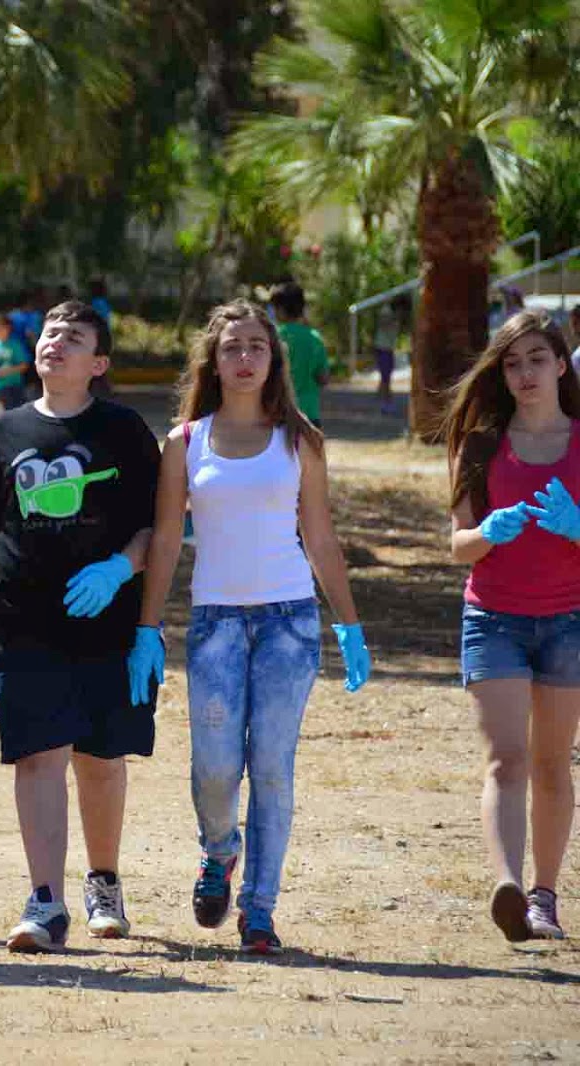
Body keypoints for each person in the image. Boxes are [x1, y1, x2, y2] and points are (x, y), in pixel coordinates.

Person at [130, 299, 372, 956]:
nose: (243, 358)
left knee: (270, 766)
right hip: (214, 625)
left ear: (274, 360)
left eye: (255, 347)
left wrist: (348, 625)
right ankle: (220, 851)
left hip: (290, 624)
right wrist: (146, 629)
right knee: (213, 766)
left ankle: (260, 910)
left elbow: (320, 539)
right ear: (215, 359)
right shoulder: (185, 442)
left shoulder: (302, 440)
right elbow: (167, 539)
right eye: (231, 347)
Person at [0, 300, 159, 952]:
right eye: (50, 334)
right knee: (38, 756)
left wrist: (120, 569)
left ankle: (104, 881)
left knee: (100, 759)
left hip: (103, 620)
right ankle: (45, 902)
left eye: (74, 337)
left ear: (99, 362)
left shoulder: (122, 430)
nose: (56, 343)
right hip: (19, 618)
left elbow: (156, 525)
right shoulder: (4, 431)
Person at [442, 308, 580, 943]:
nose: (525, 373)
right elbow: (458, 544)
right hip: (493, 617)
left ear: (560, 364)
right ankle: (509, 887)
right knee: (506, 758)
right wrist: (485, 535)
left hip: (569, 621)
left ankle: (545, 896)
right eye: (513, 362)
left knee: (553, 762)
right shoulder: (481, 444)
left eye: (536, 359)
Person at [269, 283, 329, 427]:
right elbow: (323, 378)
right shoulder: (315, 338)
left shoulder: (274, 337)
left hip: (280, 411)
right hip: (310, 413)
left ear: (281, 310)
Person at [373, 294, 408, 415]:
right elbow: (382, 323)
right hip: (383, 348)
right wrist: (394, 318)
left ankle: (383, 399)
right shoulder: (387, 311)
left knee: (386, 376)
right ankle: (385, 403)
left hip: (388, 348)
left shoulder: (394, 314)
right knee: (386, 377)